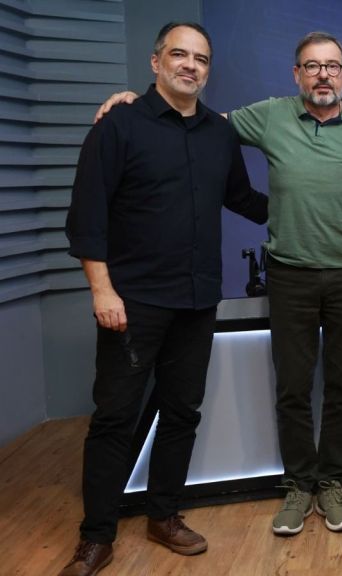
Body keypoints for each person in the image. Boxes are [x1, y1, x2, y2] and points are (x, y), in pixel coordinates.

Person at [96, 31, 342, 536]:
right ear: (296, 74)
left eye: (333, 66)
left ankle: (332, 483)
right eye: (312, 66)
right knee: (293, 389)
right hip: (290, 275)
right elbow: (196, 119)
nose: (323, 74)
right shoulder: (270, 115)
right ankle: (300, 485)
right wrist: (133, 104)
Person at [61, 22, 268, 576]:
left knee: (181, 413)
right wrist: (102, 290)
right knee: (114, 419)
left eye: (201, 58)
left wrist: (309, 208)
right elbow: (87, 218)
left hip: (198, 300)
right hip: (133, 302)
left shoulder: (218, 134)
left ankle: (164, 515)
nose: (190, 65)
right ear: (156, 62)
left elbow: (243, 199)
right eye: (179, 54)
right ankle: (96, 536)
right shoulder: (118, 125)